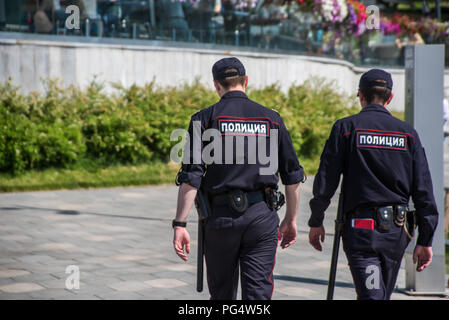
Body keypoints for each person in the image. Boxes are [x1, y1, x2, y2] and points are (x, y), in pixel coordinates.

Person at [172, 57, 305, 300]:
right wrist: (291, 219)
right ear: (246, 81)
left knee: (222, 295)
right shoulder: (272, 119)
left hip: (221, 218)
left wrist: (180, 224)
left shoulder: (203, 119)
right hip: (262, 217)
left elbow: (192, 178)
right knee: (258, 295)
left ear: (216, 85)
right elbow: (292, 176)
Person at [308, 69, 439, 300]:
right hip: (397, 231)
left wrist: (316, 219)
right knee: (376, 296)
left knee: (374, 297)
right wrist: (425, 239)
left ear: (360, 94)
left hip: (362, 230)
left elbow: (326, 179)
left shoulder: (346, 128)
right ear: (390, 97)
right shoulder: (408, 134)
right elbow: (423, 189)